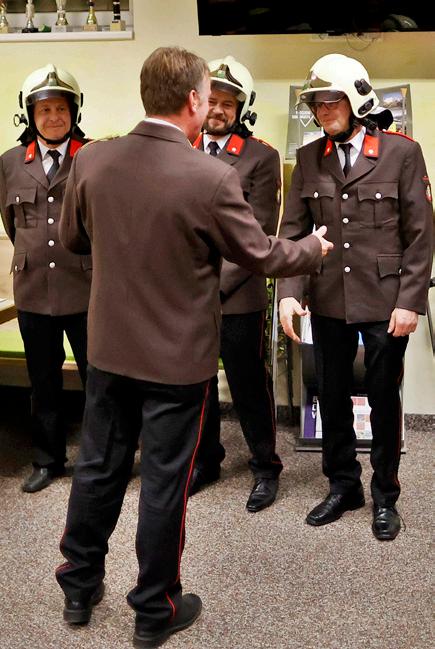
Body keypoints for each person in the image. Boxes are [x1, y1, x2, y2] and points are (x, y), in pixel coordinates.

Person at [55, 46, 332, 648]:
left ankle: (78, 585)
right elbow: (261, 254)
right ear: (191, 101)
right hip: (175, 362)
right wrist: (312, 249)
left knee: (98, 466)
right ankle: (154, 609)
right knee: (163, 483)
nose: (210, 106)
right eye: (208, 96)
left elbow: (74, 239)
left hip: (108, 351)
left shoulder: (91, 160)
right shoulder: (211, 177)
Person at [278, 53, 433, 541]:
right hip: (327, 298)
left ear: (355, 99)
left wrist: (410, 301)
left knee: (384, 399)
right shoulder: (308, 158)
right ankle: (343, 485)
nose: (323, 110)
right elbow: (293, 231)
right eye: (316, 103)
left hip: (386, 300)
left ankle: (385, 494)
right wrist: (288, 292)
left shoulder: (401, 153)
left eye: (332, 100)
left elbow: (421, 235)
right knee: (331, 395)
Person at [190, 55, 283, 512]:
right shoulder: (182, 147)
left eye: (228, 103)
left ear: (241, 108)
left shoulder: (261, 157)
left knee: (248, 385)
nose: (219, 110)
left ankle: (266, 466)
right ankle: (206, 460)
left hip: (238, 294)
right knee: (198, 382)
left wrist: (211, 285)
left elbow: (259, 234)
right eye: (213, 100)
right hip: (188, 294)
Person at [0, 64, 91, 493]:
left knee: (97, 377)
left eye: (61, 108)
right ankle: (47, 459)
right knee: (43, 380)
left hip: (85, 288)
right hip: (34, 290)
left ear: (75, 111)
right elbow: (11, 222)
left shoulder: (91, 157)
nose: (53, 117)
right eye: (44, 109)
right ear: (29, 114)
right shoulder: (10, 163)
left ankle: (101, 458)